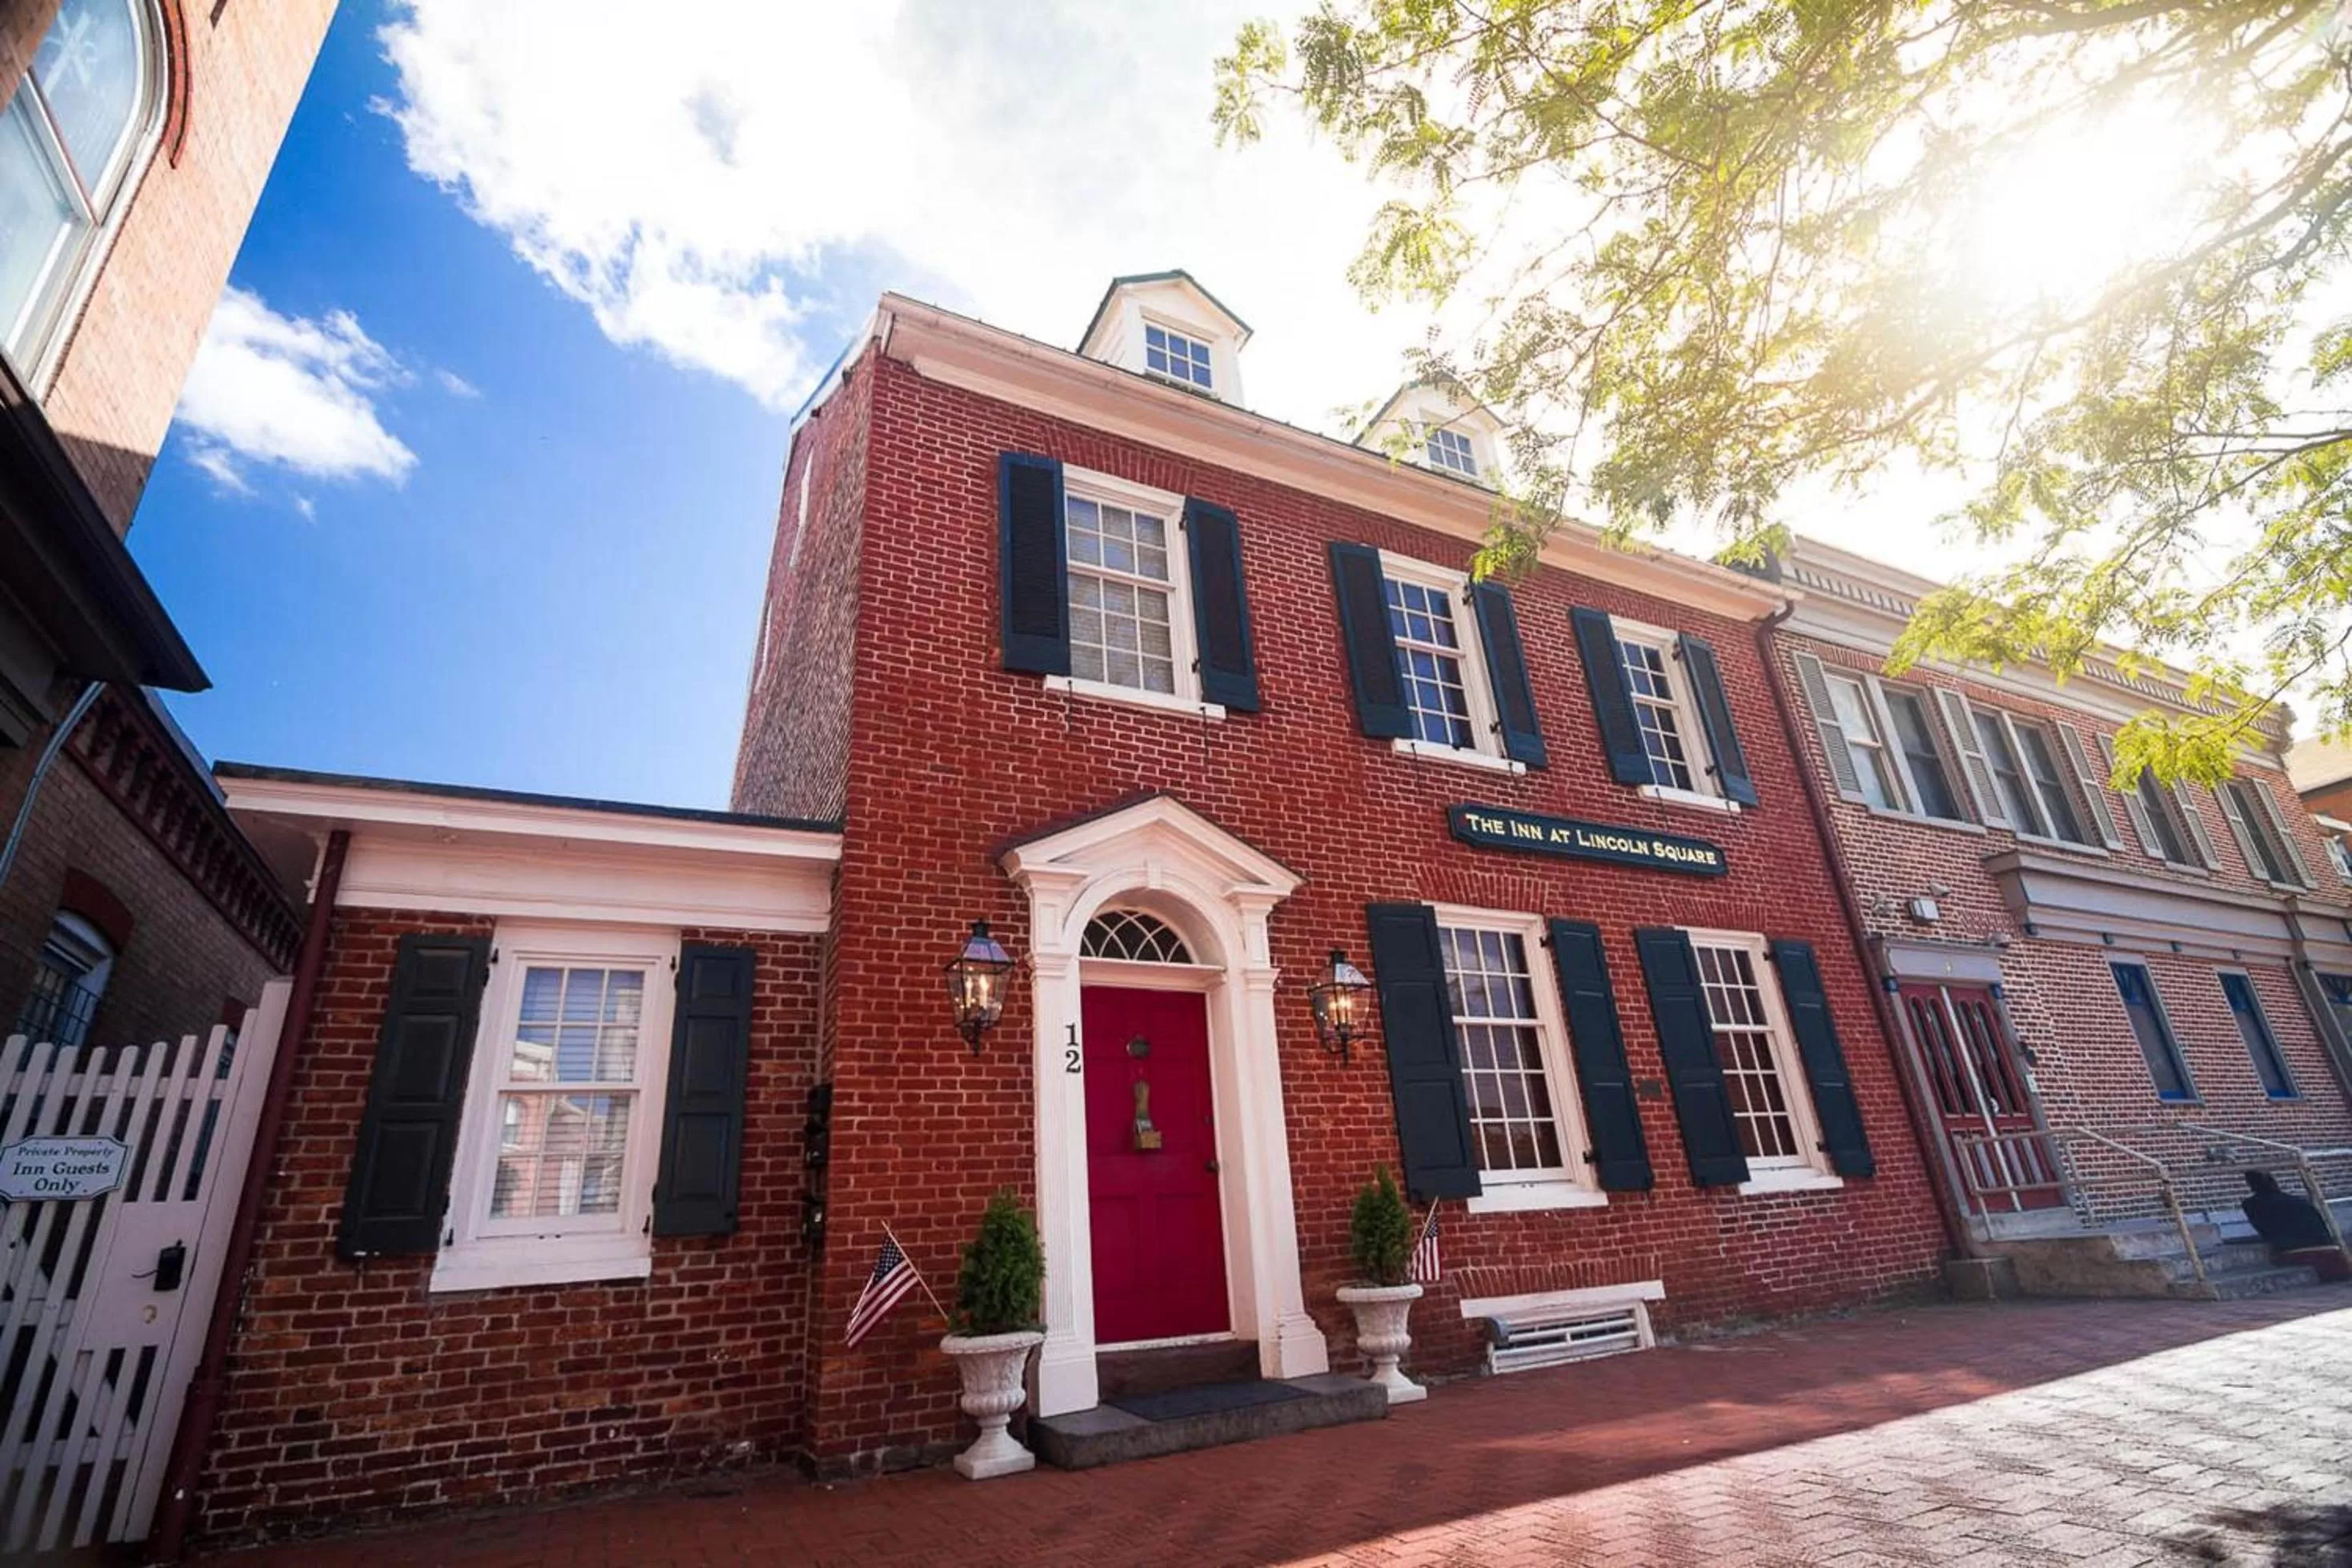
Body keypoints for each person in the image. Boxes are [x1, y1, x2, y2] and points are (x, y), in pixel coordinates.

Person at [2241, 1169, 2346, 1280]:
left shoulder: (2252, 1205)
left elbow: (2264, 1228)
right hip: (2325, 1246)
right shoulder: (2300, 1201)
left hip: (2292, 1249)